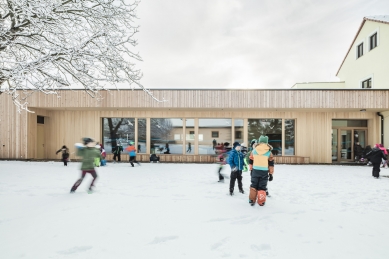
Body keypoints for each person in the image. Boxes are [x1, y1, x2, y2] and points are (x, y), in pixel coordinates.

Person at [249, 135, 274, 206]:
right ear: (266, 142)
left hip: (255, 170)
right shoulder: (269, 152)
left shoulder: (254, 151)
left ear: (259, 141)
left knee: (254, 185)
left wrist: (251, 170)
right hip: (264, 171)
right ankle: (261, 201)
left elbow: (251, 160)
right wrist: (271, 174)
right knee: (262, 186)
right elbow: (271, 164)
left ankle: (251, 200)